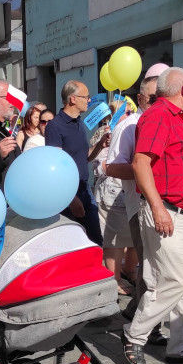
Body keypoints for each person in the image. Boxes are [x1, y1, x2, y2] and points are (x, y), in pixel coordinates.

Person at [120, 68, 183, 364]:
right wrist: (159, 209)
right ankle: (134, 335)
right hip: (168, 212)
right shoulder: (159, 115)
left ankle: (182, 348)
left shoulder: (178, 117)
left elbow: (181, 166)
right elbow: (140, 163)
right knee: (173, 280)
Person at [105, 71, 166, 343]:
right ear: (140, 98)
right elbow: (111, 167)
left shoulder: (170, 121)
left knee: (157, 267)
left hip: (168, 207)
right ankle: (145, 328)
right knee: (152, 267)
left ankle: (136, 310)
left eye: (162, 97)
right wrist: (146, 170)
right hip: (140, 205)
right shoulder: (128, 125)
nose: (158, 103)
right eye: (153, 98)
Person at [44, 80, 110, 244]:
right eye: (86, 97)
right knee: (73, 244)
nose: (89, 100)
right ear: (72, 99)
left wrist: (100, 145)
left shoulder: (79, 123)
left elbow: (84, 157)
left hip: (84, 189)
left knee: (95, 241)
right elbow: (55, 167)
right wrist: (71, 199)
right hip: (67, 195)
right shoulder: (55, 126)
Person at [91, 97, 135, 295]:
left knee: (134, 237)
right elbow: (98, 167)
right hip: (112, 192)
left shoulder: (134, 127)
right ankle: (114, 277)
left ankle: (130, 270)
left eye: (131, 111)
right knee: (115, 238)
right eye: (126, 112)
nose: (130, 115)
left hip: (131, 191)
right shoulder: (106, 133)